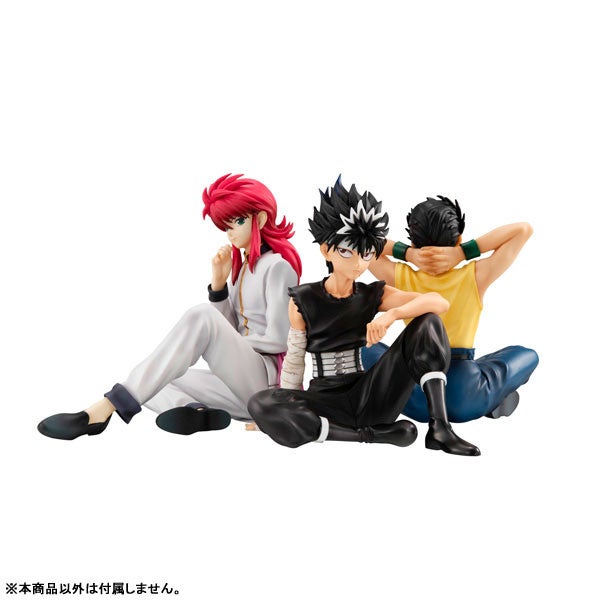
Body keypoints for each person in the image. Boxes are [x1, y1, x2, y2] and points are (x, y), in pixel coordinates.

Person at [38, 173, 302, 439]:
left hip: (267, 384)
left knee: (201, 318)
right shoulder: (242, 268)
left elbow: (280, 339)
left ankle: (107, 408)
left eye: (239, 221)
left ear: (260, 219)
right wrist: (219, 286)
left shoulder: (277, 267)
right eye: (226, 225)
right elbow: (228, 327)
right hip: (242, 389)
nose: (230, 231)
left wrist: (219, 341)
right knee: (158, 379)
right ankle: (195, 412)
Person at [248, 178, 480, 456]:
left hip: (370, 397)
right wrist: (284, 408)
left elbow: (438, 302)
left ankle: (440, 428)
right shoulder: (303, 299)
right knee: (261, 402)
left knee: (428, 321)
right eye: (347, 251)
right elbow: (294, 363)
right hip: (325, 404)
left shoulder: (372, 294)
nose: (358, 263)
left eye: (367, 253)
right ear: (326, 249)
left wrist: (392, 315)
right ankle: (369, 436)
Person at [365, 195, 538, 423]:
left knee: (360, 347)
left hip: (418, 399)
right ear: (459, 239)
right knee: (527, 354)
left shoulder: (400, 277)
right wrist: (463, 253)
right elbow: (523, 230)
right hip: (465, 396)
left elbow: (361, 244)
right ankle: (492, 394)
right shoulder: (475, 276)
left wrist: (407, 253)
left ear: (414, 243)